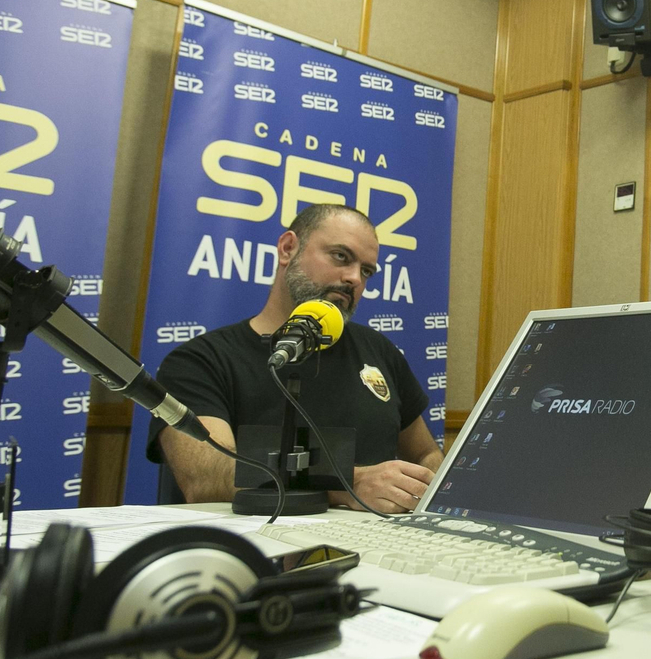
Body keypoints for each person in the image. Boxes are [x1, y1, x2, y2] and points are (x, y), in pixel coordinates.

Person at [149, 204, 444, 514]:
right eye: (341, 256)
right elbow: (205, 475)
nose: (355, 278)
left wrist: (432, 487)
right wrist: (349, 484)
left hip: (380, 547)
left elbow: (424, 452)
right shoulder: (200, 360)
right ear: (288, 248)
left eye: (366, 270)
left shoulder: (379, 350)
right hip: (261, 546)